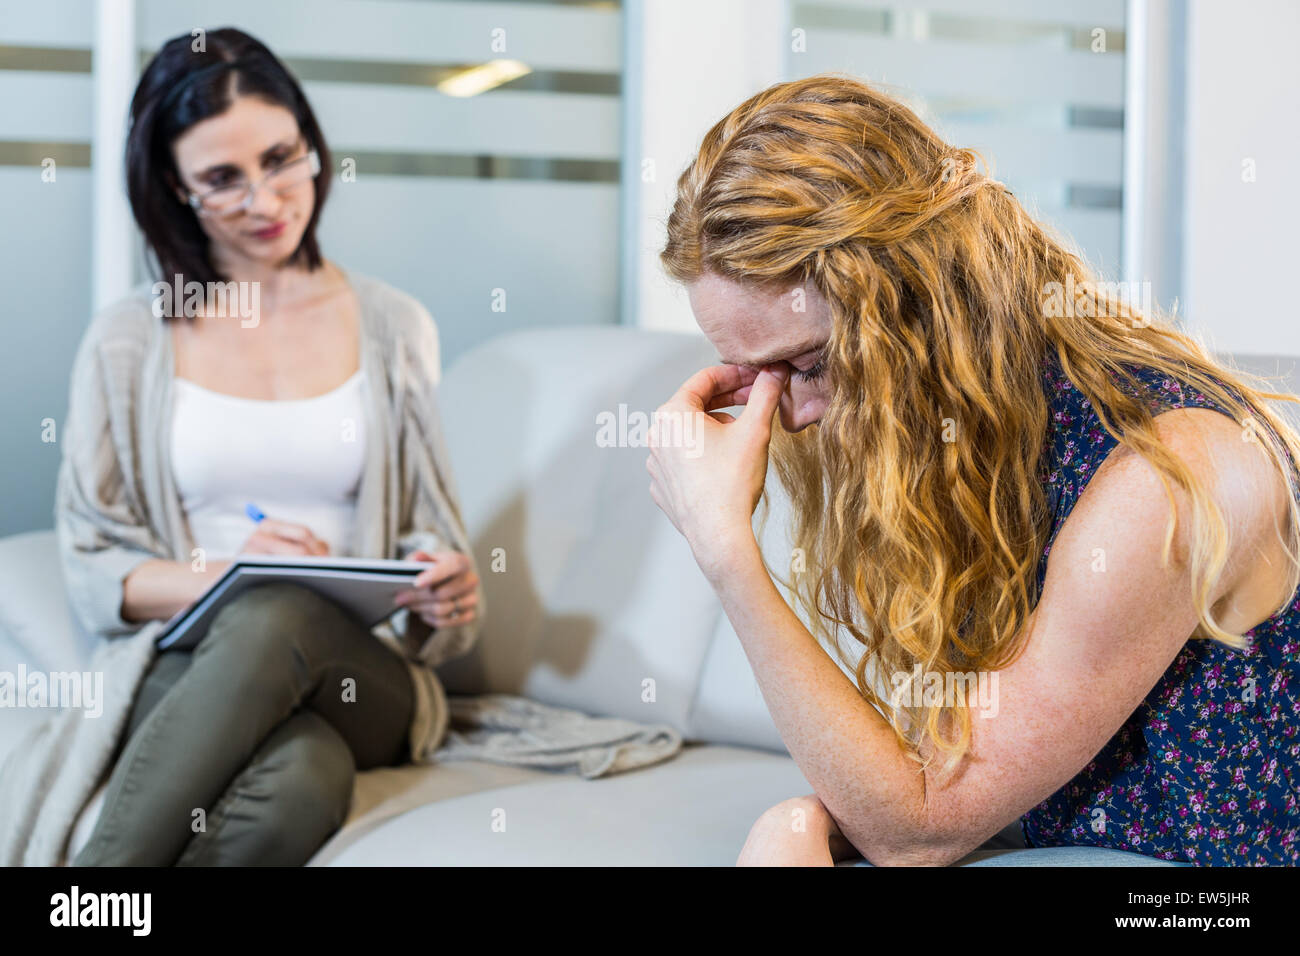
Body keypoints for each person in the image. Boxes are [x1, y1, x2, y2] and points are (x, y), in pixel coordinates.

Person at [648, 74, 1300, 866]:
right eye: (755, 377)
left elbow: (920, 829)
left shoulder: (1163, 477)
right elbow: (933, 782)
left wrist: (727, 552)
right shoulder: (968, 447)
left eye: (810, 364)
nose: (788, 417)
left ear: (921, 308)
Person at [59, 28, 482, 865]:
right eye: (223, 179)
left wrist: (449, 588)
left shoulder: (394, 327)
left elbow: (433, 538)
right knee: (301, 778)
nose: (266, 199)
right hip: (192, 664)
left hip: (362, 677)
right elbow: (89, 563)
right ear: (177, 191)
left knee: (281, 609)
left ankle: (87, 898)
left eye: (282, 159)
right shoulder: (127, 342)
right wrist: (224, 575)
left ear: (312, 147)